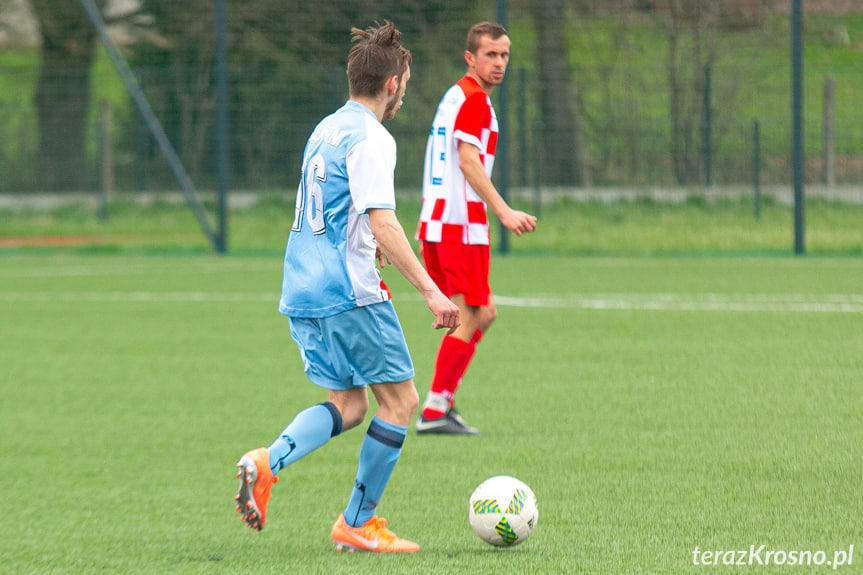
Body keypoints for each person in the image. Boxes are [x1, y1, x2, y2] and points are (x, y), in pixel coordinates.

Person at [234, 21, 459, 553]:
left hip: (302, 287)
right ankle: (357, 523)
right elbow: (382, 218)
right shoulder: (373, 139)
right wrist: (430, 288)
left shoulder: (327, 127)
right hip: (347, 291)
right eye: (405, 80)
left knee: (350, 403)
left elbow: (335, 204)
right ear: (394, 84)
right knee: (401, 401)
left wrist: (366, 238)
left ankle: (266, 462)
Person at [415, 22, 537, 435]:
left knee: (482, 313)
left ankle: (439, 404)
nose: (499, 62)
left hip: (440, 221)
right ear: (471, 57)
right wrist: (503, 210)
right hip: (460, 225)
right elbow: (467, 160)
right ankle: (434, 410)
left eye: (504, 55)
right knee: (472, 314)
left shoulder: (454, 96)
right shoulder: (475, 101)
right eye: (490, 55)